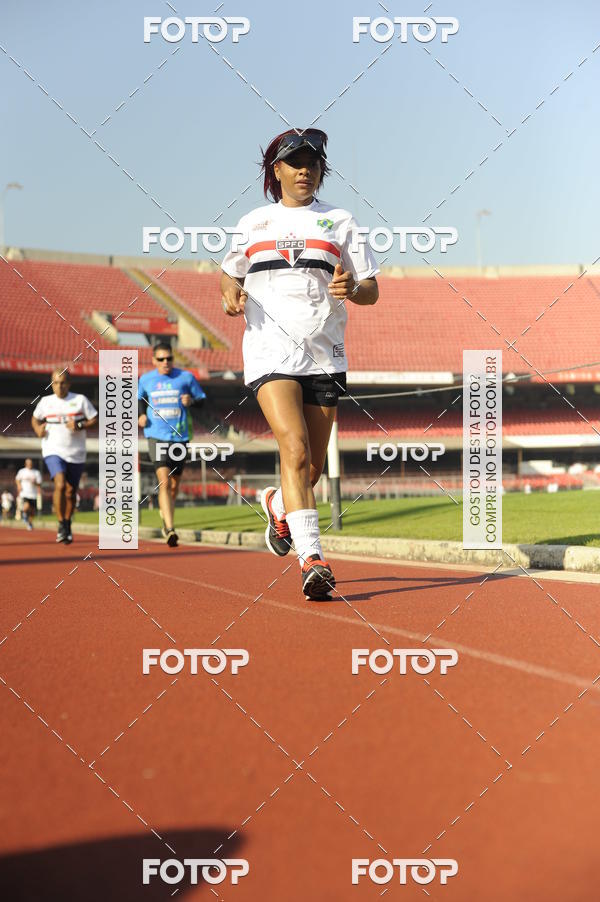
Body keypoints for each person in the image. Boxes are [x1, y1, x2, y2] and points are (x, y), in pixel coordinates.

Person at [220, 129, 379, 600]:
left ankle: (276, 504)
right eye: (295, 162)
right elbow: (228, 276)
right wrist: (231, 296)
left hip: (324, 354)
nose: (305, 170)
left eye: (312, 162)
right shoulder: (253, 223)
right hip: (270, 352)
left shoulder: (341, 221)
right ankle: (312, 558)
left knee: (308, 468)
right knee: (294, 448)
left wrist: (352, 288)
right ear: (276, 170)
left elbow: (371, 289)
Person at [138, 343, 206, 546]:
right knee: (164, 482)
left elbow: (202, 399)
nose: (165, 362)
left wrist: (191, 401)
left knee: (174, 486)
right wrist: (141, 414)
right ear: (153, 361)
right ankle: (170, 528)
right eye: (161, 359)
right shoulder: (146, 379)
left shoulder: (185, 377)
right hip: (155, 435)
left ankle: (165, 514)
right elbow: (139, 399)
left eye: (169, 358)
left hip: (180, 437)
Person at [31, 368, 98, 543]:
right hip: (53, 449)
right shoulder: (45, 402)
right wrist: (38, 428)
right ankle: (61, 523)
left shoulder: (80, 400)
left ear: (69, 384)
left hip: (76, 452)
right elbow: (35, 418)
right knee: (60, 485)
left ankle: (67, 522)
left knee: (70, 492)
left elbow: (94, 419)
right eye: (56, 383)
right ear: (51, 384)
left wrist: (80, 425)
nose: (59, 386)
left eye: (63, 383)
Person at [15, 458, 42, 531]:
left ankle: (29, 523)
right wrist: (19, 486)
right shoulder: (22, 471)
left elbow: (39, 483)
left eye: (30, 463)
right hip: (24, 493)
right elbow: (17, 479)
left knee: (32, 511)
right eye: (28, 463)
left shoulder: (36, 472)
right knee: (26, 507)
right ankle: (24, 514)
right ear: (25, 464)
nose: (29, 464)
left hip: (33, 494)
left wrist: (35, 483)